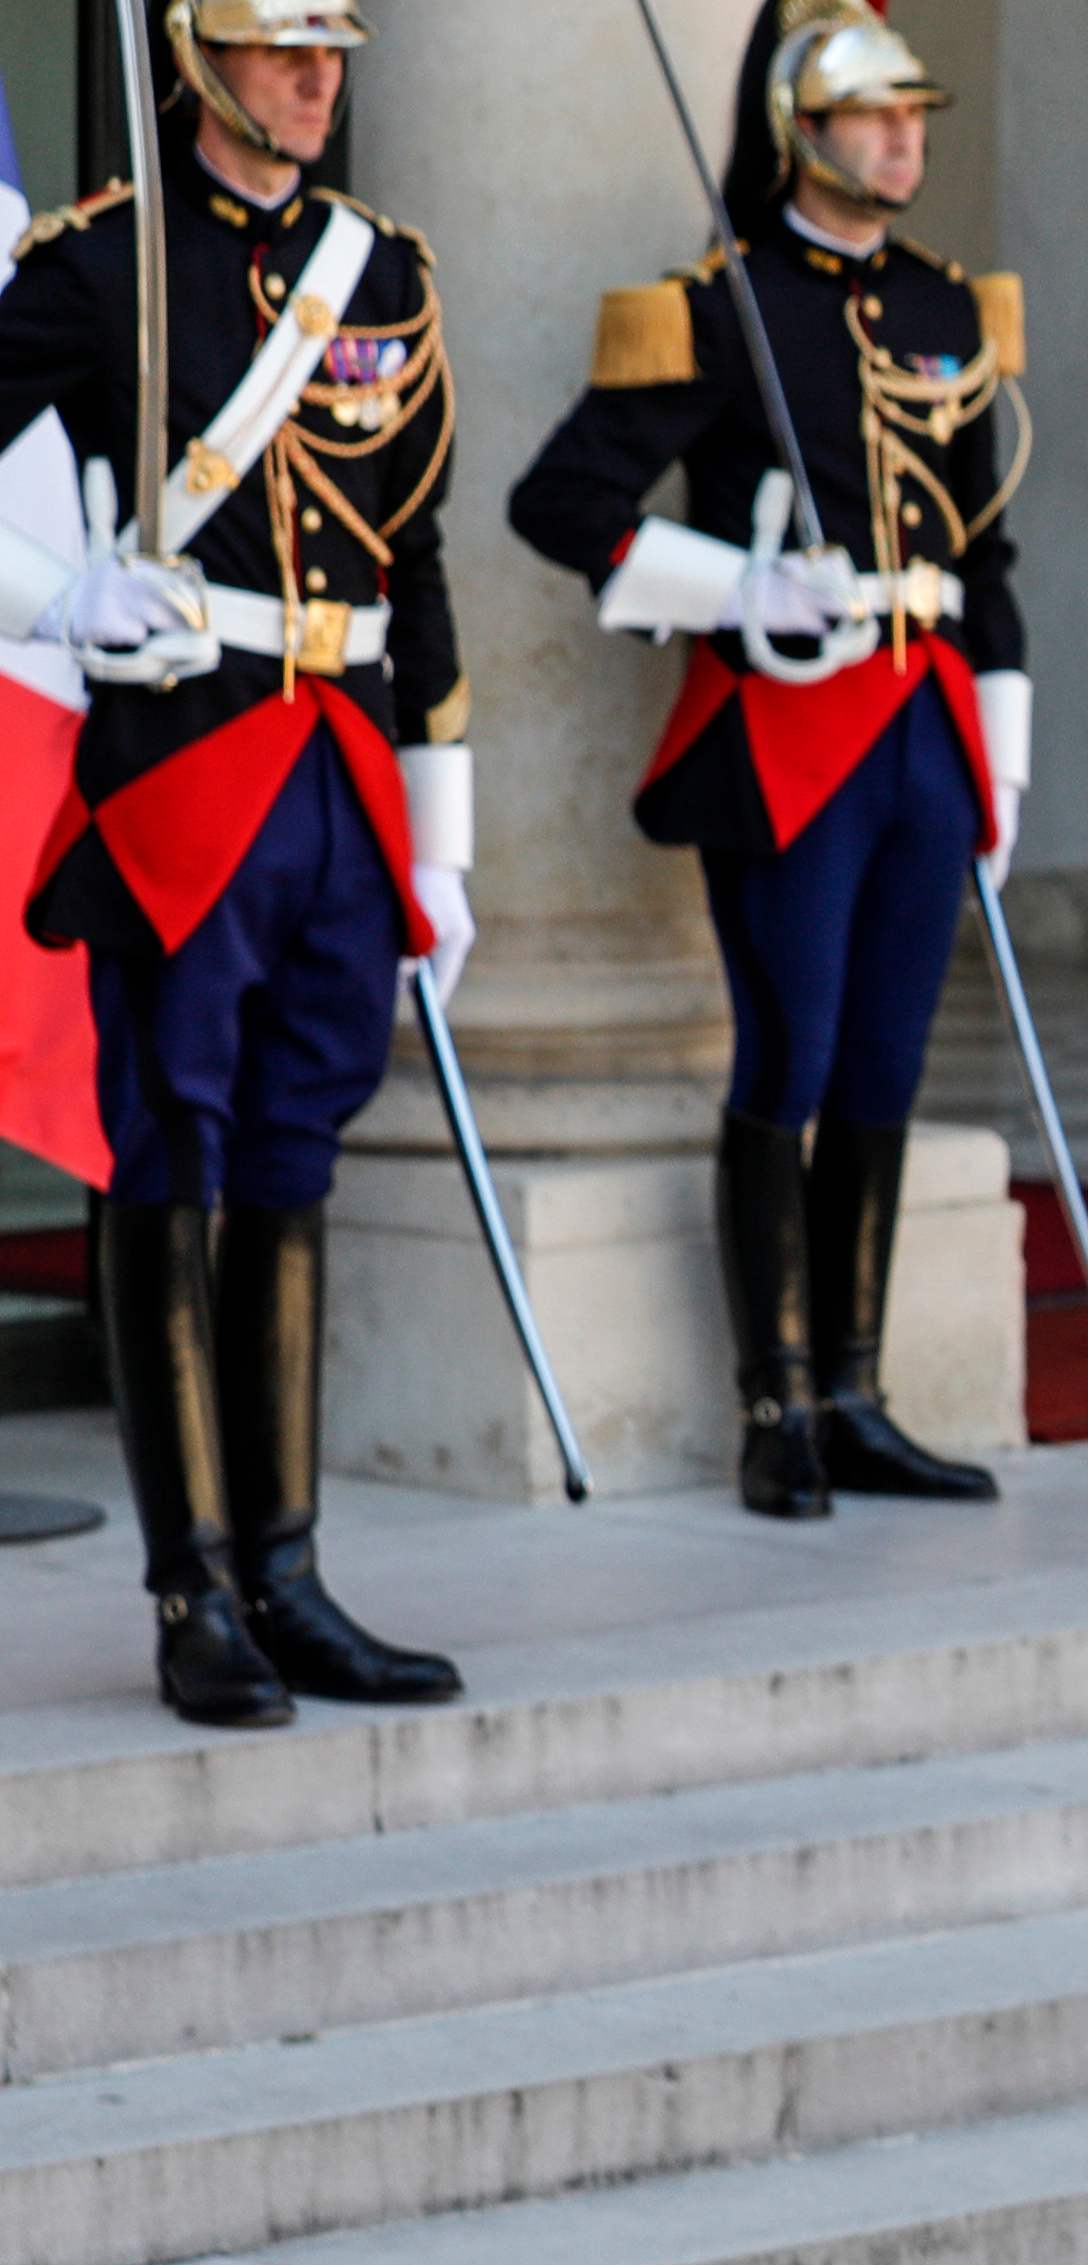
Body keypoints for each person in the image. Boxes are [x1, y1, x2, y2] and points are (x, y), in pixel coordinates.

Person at [0, 0, 465, 1730]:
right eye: (280, 48)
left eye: (332, 47)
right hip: (186, 759)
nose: (314, 76)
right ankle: (191, 1586)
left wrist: (453, 829)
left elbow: (414, 562)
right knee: (170, 1147)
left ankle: (290, 1567)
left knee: (292, 1153)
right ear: (200, 58)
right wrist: (57, 599)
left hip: (341, 769)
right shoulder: (102, 262)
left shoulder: (390, 272)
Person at [507, 0, 1022, 1520]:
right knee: (789, 1054)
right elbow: (562, 502)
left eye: (916, 113)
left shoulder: (948, 308)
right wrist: (734, 587)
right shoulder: (720, 309)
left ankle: (856, 1388)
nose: (905, 137)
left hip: (924, 723)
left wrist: (1004, 739)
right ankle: (774, 1398)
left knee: (885, 1064)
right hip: (791, 724)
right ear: (802, 132)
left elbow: (989, 550)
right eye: (873, 116)